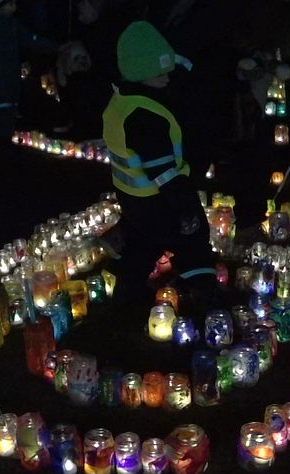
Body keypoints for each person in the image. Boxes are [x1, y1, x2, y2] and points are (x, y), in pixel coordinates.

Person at [102, 20, 216, 306]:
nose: (167, 78)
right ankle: (203, 294)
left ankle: (127, 293)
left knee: (143, 242)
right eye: (159, 73)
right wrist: (185, 209)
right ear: (141, 73)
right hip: (159, 199)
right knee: (192, 240)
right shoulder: (146, 117)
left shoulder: (121, 101)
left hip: (132, 199)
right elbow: (163, 171)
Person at [0, 0, 58, 149]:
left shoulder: (14, 25)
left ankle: (6, 140)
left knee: (10, 107)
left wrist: (54, 47)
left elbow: (31, 39)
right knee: (0, 108)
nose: (14, 7)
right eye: (10, 4)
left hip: (11, 75)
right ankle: (1, 141)